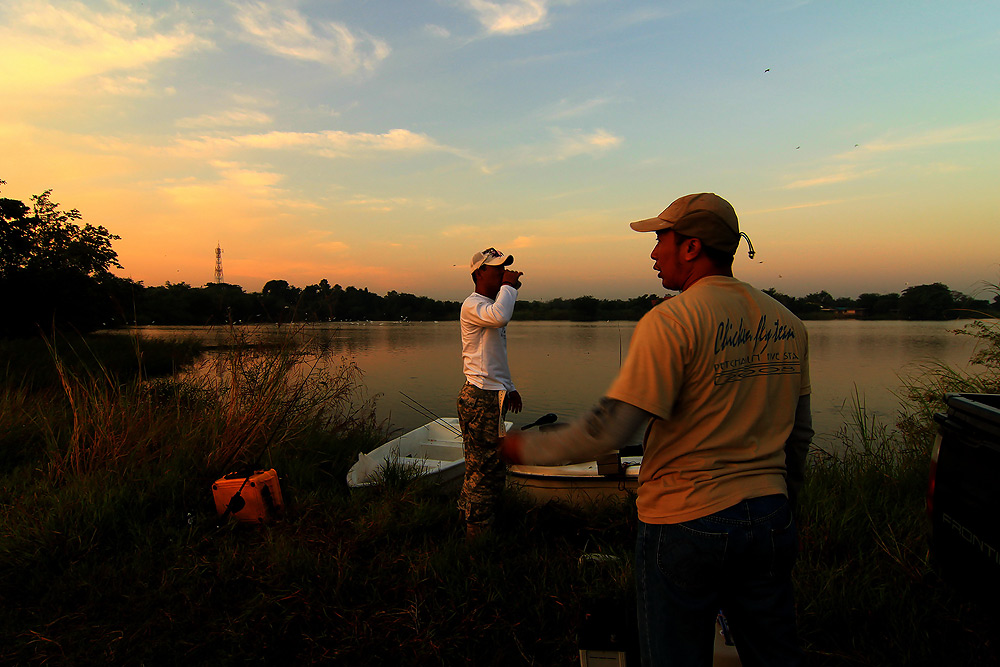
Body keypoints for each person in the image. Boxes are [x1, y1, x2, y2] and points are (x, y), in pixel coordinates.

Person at [503, 193, 812, 666]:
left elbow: (606, 433)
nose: (653, 253)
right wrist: (781, 504)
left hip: (685, 522)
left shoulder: (671, 321)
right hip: (770, 518)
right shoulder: (789, 323)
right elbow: (800, 435)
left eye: (659, 239)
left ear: (691, 248)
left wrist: (521, 446)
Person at [458, 247, 524, 542]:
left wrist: (509, 388)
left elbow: (497, 355)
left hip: (493, 396)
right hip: (480, 397)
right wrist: (509, 287)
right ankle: (477, 535)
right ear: (479, 272)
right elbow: (501, 317)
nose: (502, 272)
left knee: (490, 465)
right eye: (496, 268)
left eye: (504, 268)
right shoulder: (473, 305)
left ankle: (478, 521)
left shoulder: (490, 304)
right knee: (482, 467)